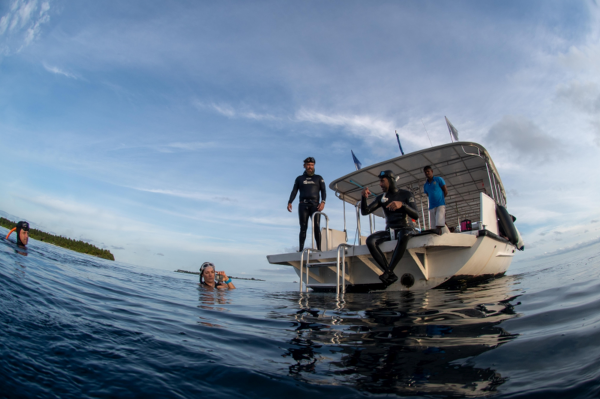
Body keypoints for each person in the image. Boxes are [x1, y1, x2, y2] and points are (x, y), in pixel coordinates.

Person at [361, 170, 419, 287]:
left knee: (404, 234)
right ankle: (390, 273)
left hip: (405, 228)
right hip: (390, 230)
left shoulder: (406, 194)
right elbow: (365, 211)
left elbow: (416, 215)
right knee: (370, 240)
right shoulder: (381, 197)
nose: (380, 184)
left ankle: (388, 271)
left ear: (391, 180)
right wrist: (363, 198)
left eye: (382, 181)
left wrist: (402, 205)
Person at [287, 157, 327, 251]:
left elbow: (324, 191)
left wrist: (323, 202)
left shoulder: (319, 178)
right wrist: (290, 201)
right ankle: (301, 250)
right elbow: (294, 191)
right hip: (303, 205)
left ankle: (319, 249)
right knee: (303, 227)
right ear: (304, 166)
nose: (310, 167)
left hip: (315, 205)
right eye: (308, 165)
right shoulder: (299, 179)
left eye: (312, 165)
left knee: (316, 227)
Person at [423, 165, 448, 235]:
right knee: (434, 225)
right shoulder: (425, 185)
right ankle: (448, 232)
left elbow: (445, 190)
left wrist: (441, 200)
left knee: (439, 224)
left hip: (440, 205)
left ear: (432, 171)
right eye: (425, 172)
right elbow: (428, 194)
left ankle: (439, 237)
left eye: (428, 171)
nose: (427, 173)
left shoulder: (438, 179)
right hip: (431, 207)